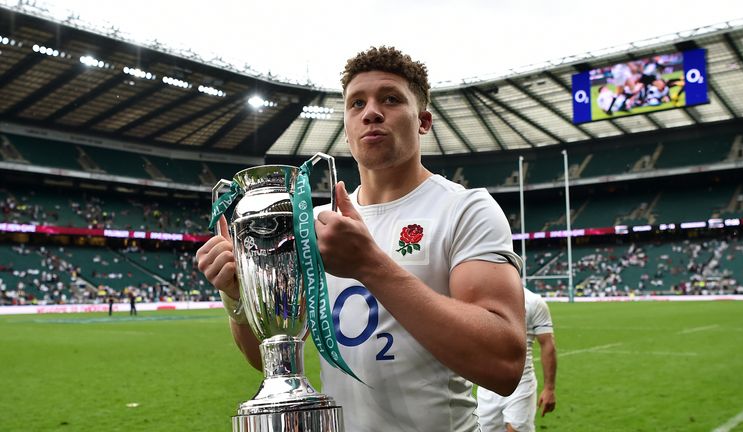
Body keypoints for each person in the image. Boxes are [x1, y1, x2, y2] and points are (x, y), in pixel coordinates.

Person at [197, 46, 526, 431]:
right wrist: (240, 298)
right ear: (347, 127)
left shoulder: (465, 209)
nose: (371, 112)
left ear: (423, 121)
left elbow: (504, 365)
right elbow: (270, 359)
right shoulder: (312, 223)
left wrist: (370, 265)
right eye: (356, 104)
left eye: (390, 98)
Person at [476, 288, 557, 432]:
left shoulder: (533, 301)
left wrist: (549, 388)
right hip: (487, 387)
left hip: (521, 384)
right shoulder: (480, 299)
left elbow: (547, 345)